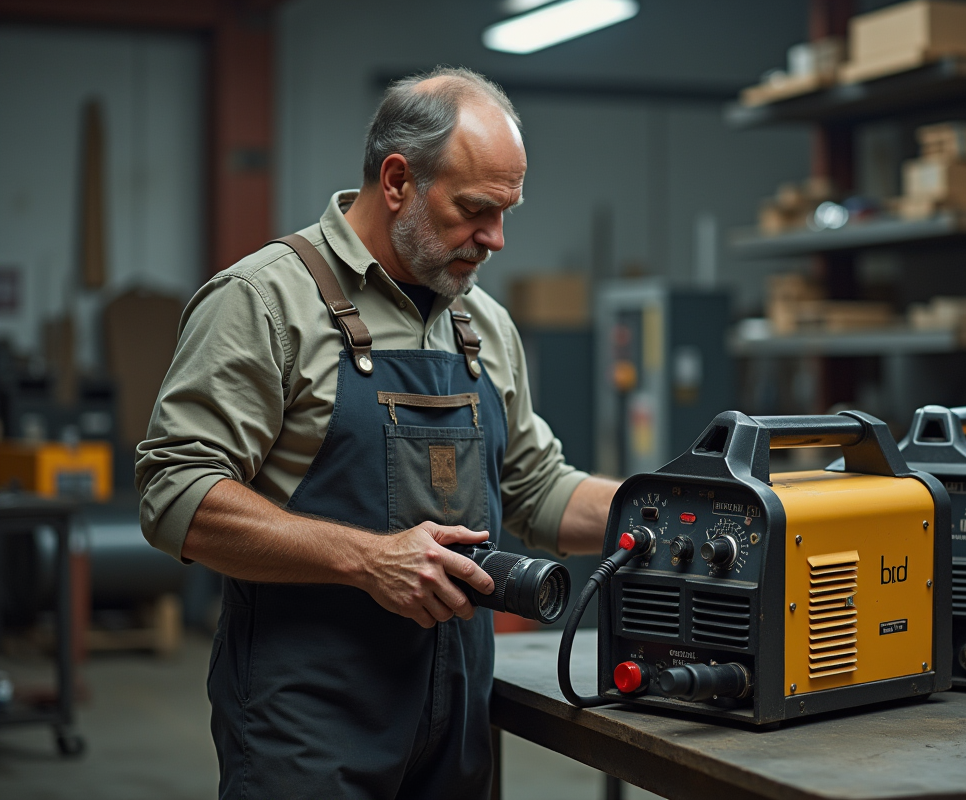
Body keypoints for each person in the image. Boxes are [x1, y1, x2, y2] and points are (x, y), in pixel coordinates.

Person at [136, 67, 618, 799]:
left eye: (506, 213)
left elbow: (537, 489)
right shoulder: (265, 301)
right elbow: (175, 494)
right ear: (397, 181)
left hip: (458, 720)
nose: (496, 239)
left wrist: (672, 513)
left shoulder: (481, 323)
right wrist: (368, 560)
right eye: (475, 211)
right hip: (309, 721)